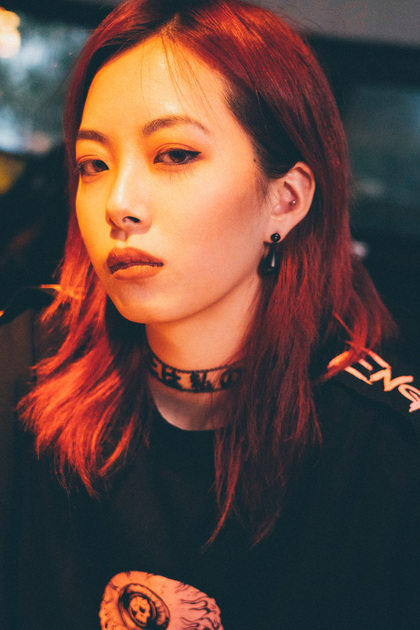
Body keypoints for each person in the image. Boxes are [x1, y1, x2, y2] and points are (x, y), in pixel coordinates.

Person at [0, 0, 419, 628]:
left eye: (174, 155)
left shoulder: (386, 454)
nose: (119, 203)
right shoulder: (26, 366)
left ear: (286, 199)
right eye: (94, 164)